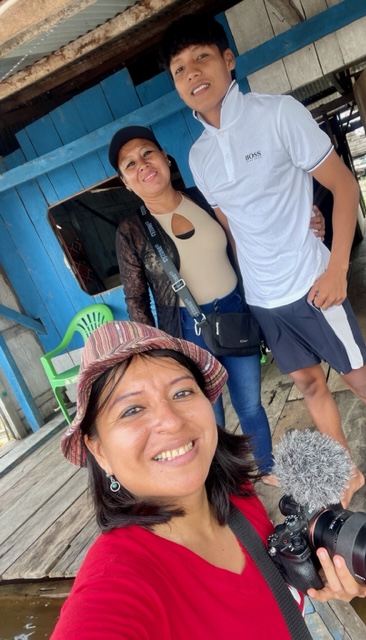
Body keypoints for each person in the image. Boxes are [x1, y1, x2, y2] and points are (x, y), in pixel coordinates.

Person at [158, 15, 366, 536]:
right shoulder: (198, 156)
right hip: (265, 300)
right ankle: (347, 471)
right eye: (179, 69)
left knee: (365, 383)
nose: (192, 73)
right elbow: (234, 225)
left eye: (201, 57)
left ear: (228, 60)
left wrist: (338, 267)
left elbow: (344, 185)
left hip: (313, 284)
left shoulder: (278, 114)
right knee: (310, 385)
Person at [51, 321, 366, 638]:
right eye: (132, 410)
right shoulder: (116, 580)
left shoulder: (238, 496)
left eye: (182, 392)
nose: (171, 421)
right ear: (99, 451)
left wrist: (323, 571)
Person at [109, 125, 276, 478]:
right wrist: (151, 353)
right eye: (130, 164)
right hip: (186, 331)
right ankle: (225, 484)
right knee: (207, 416)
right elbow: (136, 298)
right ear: (125, 182)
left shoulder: (203, 198)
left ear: (165, 158)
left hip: (235, 314)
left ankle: (266, 469)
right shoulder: (131, 230)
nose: (143, 165)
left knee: (250, 405)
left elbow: (247, 234)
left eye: (147, 153)